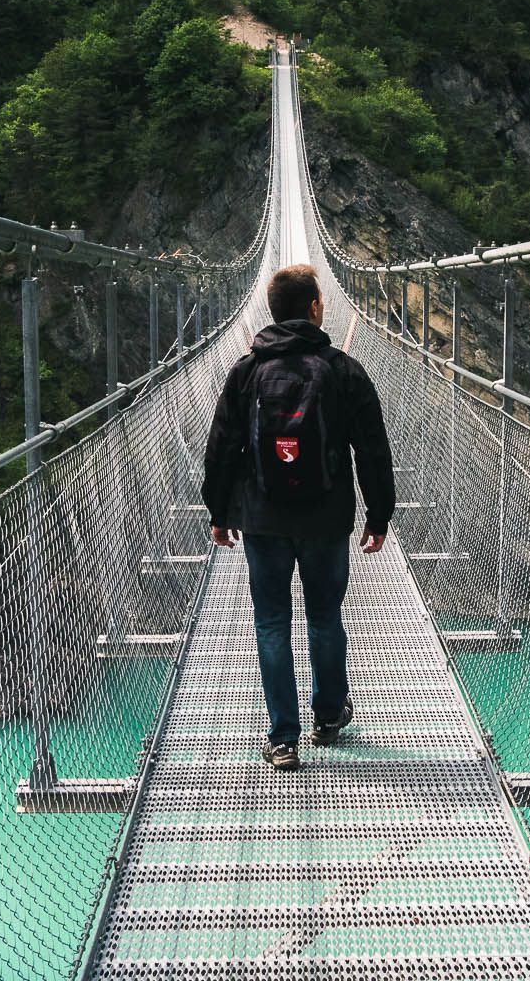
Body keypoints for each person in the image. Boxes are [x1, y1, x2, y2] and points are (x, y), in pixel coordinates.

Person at [201, 263, 395, 770]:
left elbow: (222, 449)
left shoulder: (245, 372)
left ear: (271, 311)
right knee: (324, 616)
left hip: (263, 518)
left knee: (271, 622)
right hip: (326, 517)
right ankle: (328, 717)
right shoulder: (343, 370)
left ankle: (283, 738)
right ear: (314, 307)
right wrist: (379, 516)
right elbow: (373, 449)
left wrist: (219, 511)